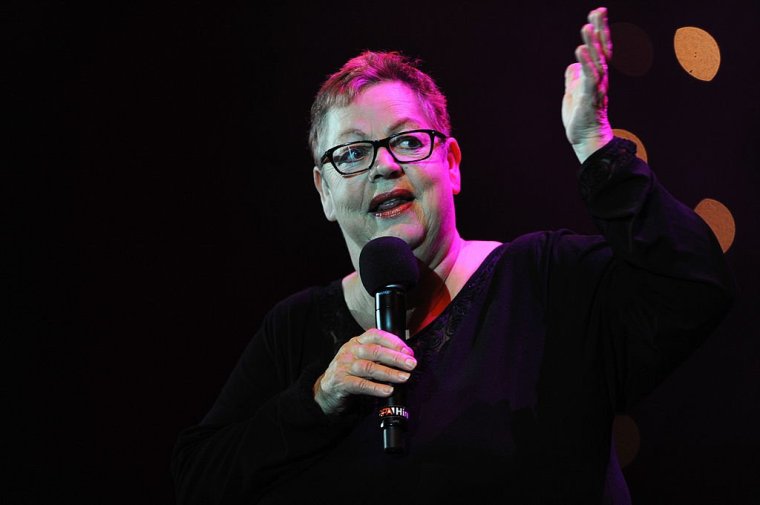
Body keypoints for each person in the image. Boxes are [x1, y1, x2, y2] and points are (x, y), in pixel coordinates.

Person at [171, 7, 734, 504]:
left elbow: (693, 287)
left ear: (453, 163)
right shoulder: (295, 331)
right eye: (353, 153)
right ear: (323, 191)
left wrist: (595, 147)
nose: (385, 165)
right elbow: (200, 480)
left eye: (409, 141)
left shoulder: (545, 280)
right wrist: (318, 399)